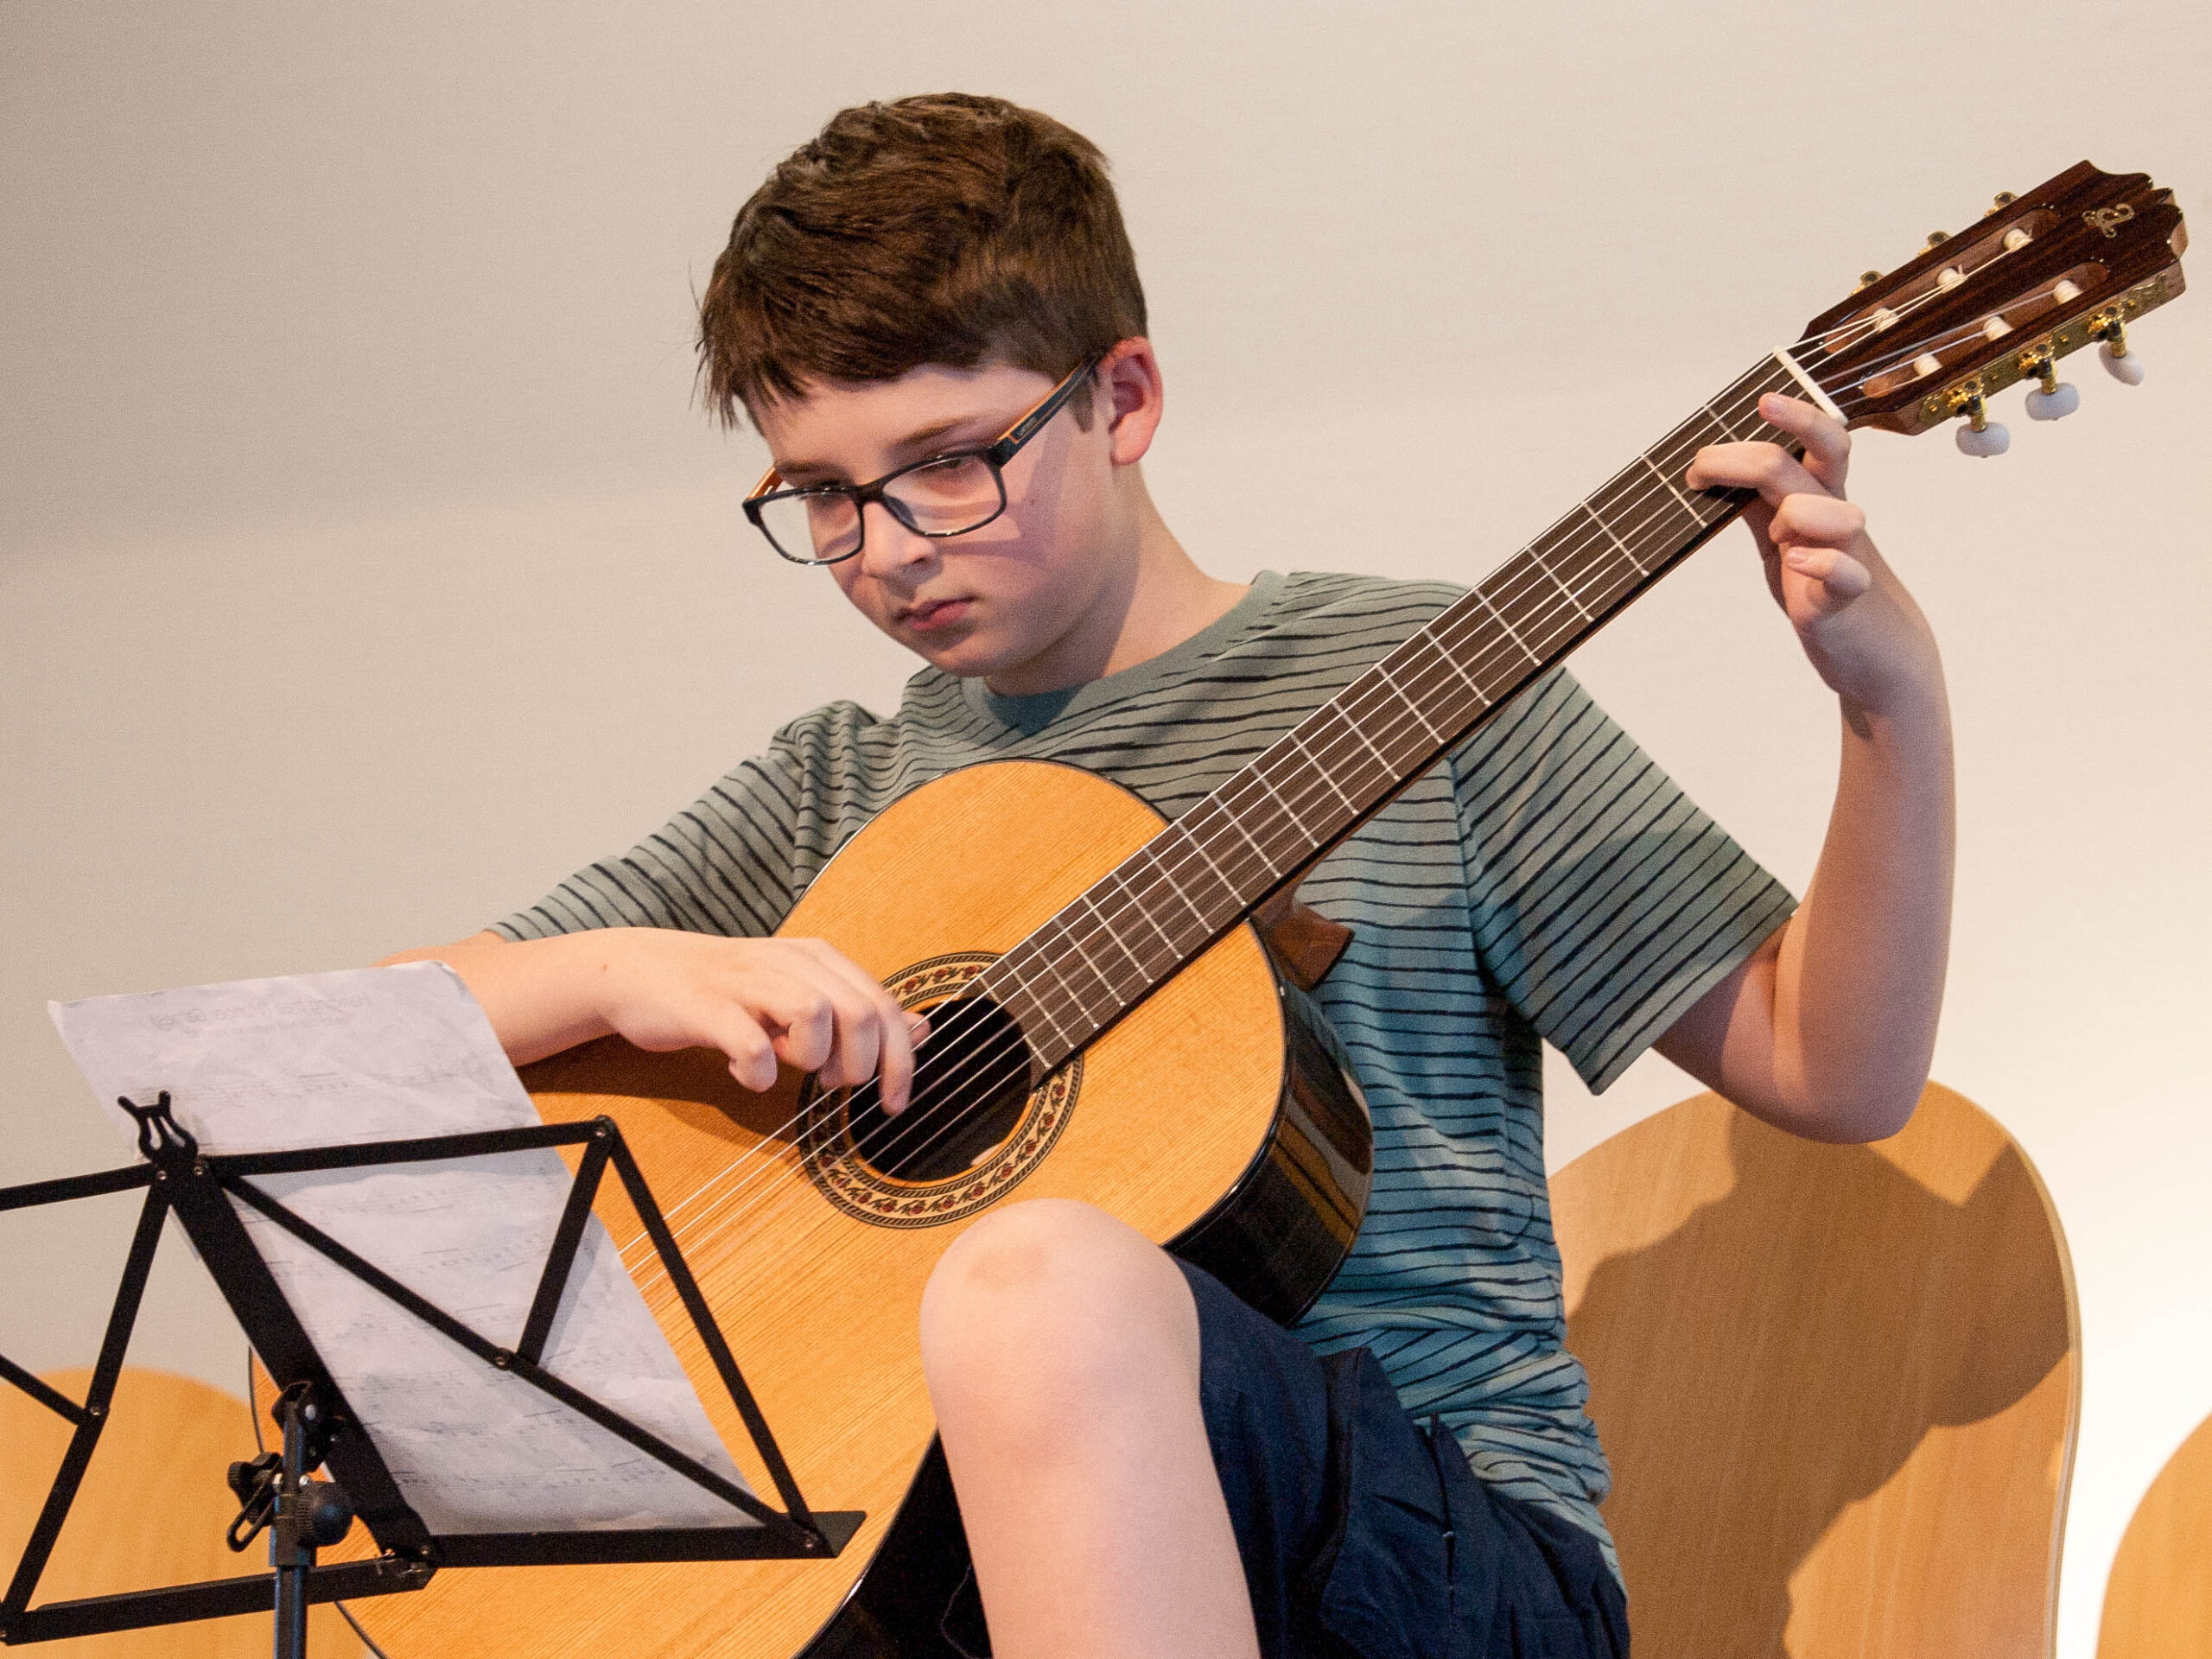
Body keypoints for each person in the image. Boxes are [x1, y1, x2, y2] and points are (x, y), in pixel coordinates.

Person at [387, 93, 1953, 1659]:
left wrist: (1892, 704)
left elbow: (1832, 1068)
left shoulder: (1425, 680)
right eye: (823, 495)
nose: (888, 547)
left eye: (948, 465)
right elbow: (368, 1040)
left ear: (1121, 398)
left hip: (1432, 1571)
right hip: (963, 1574)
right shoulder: (840, 794)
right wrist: (626, 970)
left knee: (1040, 1287)